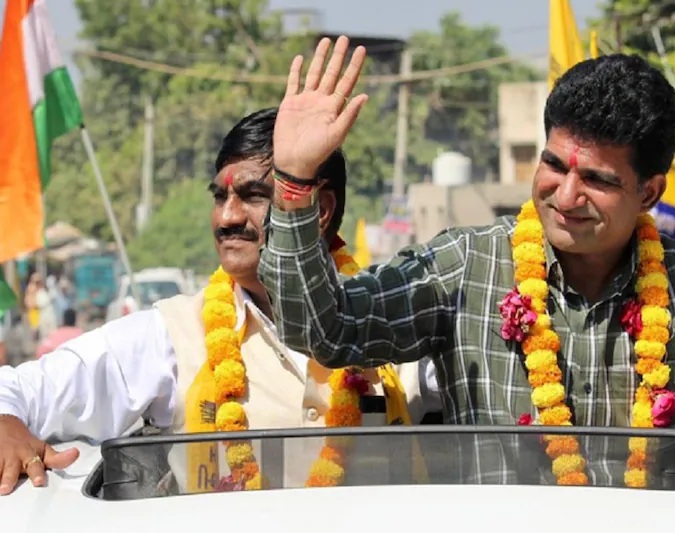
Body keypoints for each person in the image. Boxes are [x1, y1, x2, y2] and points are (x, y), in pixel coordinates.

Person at [257, 37, 675, 531]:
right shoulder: (468, 265)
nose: (565, 195)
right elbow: (326, 328)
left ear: (650, 192)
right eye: (555, 165)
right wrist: (292, 182)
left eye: (598, 179)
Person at [0, 107, 441, 496]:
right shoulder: (173, 335)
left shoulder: (394, 320)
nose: (227, 217)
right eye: (220, 197)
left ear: (320, 210)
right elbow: (16, 390)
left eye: (252, 196)